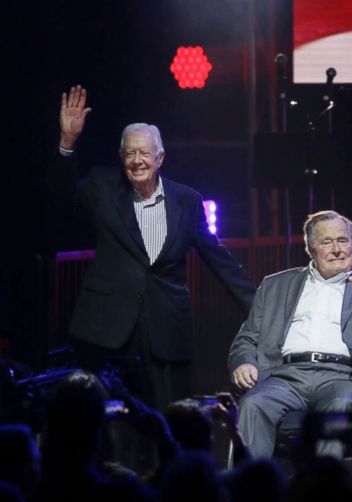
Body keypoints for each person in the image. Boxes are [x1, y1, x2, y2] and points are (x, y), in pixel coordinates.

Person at [53, 86, 255, 410]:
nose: (137, 161)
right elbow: (60, 196)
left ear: (160, 157)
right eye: (130, 154)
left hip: (165, 329)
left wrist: (260, 308)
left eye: (144, 153)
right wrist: (67, 143)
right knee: (104, 422)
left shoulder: (186, 201)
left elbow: (219, 260)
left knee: (168, 418)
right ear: (121, 158)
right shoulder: (103, 188)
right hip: (106, 328)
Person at [229, 210, 352, 458]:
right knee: (253, 404)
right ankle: (255, 489)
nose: (337, 249)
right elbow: (247, 339)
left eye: (342, 240)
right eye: (327, 242)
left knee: (340, 405)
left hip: (342, 377)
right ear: (311, 249)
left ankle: (322, 489)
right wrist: (244, 362)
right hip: (285, 376)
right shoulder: (275, 285)